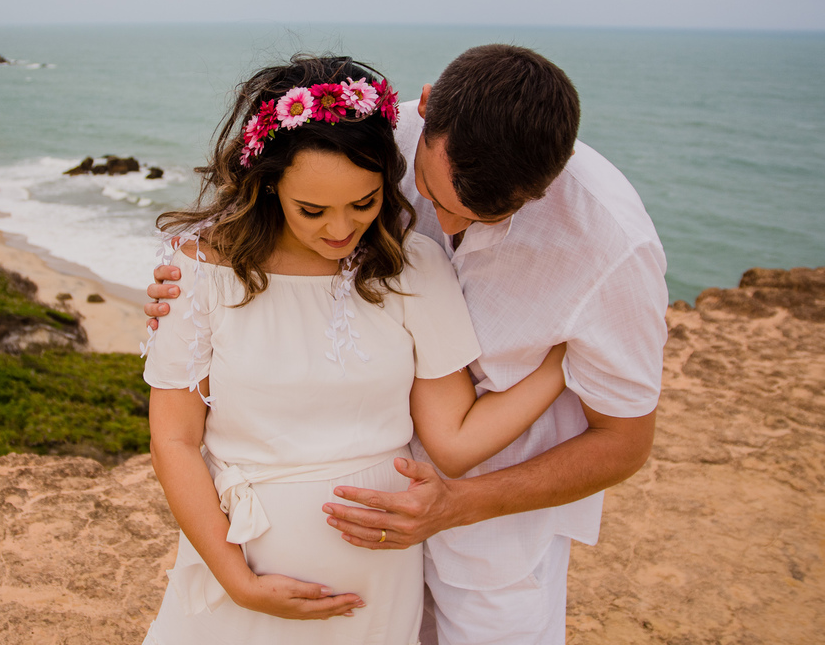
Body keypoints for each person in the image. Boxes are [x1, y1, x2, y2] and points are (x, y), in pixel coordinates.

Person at [147, 44, 668, 644]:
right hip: (271, 560)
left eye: (483, 217)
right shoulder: (370, 135)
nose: (443, 228)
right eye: (432, 195)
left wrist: (554, 372)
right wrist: (187, 277)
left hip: (492, 539)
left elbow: (624, 442)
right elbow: (279, 178)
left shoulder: (610, 247)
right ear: (422, 115)